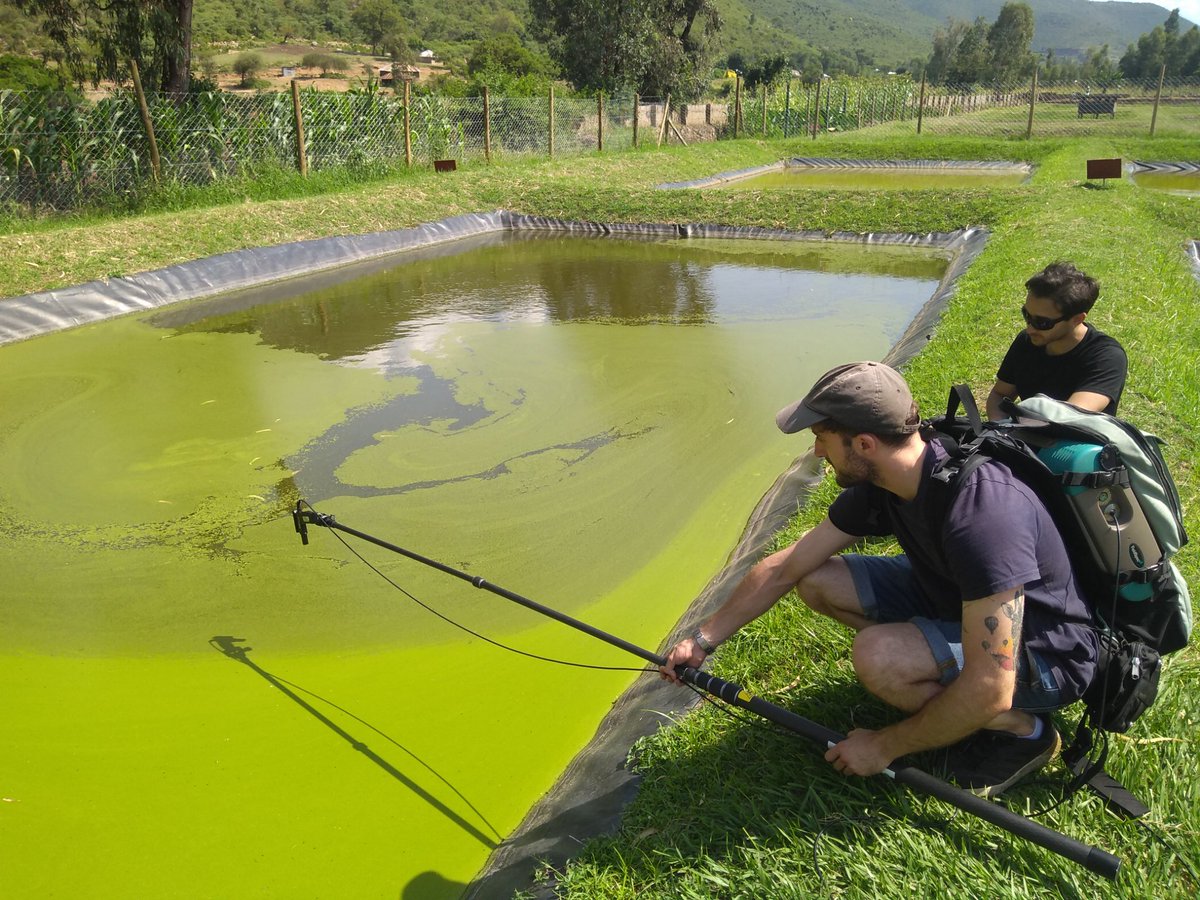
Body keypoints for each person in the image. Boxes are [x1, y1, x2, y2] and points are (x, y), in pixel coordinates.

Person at [661, 361, 1098, 798]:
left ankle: (1027, 732)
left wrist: (883, 746)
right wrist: (702, 641)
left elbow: (990, 686)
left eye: (821, 439)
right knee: (816, 579)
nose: (817, 453)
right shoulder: (891, 477)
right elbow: (787, 565)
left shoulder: (982, 514)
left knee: (879, 656)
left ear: (865, 443)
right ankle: (934, 678)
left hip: (1047, 654)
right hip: (960, 598)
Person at [986, 262, 1127, 420]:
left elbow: (1067, 420)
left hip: (1072, 442)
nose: (1030, 329)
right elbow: (1000, 394)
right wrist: (1000, 430)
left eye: (1043, 323)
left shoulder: (1106, 357)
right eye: (1027, 315)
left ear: (1077, 319)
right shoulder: (1028, 340)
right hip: (1025, 436)